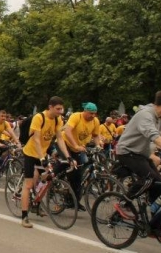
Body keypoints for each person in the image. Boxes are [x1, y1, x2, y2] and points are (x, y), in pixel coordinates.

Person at [114, 89, 161, 243]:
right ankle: (123, 204)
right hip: (126, 152)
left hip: (141, 154)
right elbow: (153, 136)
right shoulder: (145, 115)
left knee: (160, 186)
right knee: (149, 179)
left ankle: (155, 228)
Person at [20, 96, 73, 228]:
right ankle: (24, 216)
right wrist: (42, 159)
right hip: (30, 153)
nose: (61, 111)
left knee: (48, 178)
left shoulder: (58, 120)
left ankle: (36, 203)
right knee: (28, 184)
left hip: (42, 153)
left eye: (62, 109)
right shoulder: (39, 117)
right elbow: (36, 140)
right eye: (58, 109)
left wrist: (68, 156)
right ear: (50, 107)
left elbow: (60, 139)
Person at [58, 102, 102, 211]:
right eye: (91, 113)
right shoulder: (76, 116)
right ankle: (54, 181)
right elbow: (68, 131)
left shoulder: (95, 121)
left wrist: (98, 145)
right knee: (67, 165)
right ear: (85, 111)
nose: (93, 116)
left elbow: (96, 135)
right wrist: (75, 145)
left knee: (78, 176)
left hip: (79, 148)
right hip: (65, 144)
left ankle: (74, 201)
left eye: (94, 114)